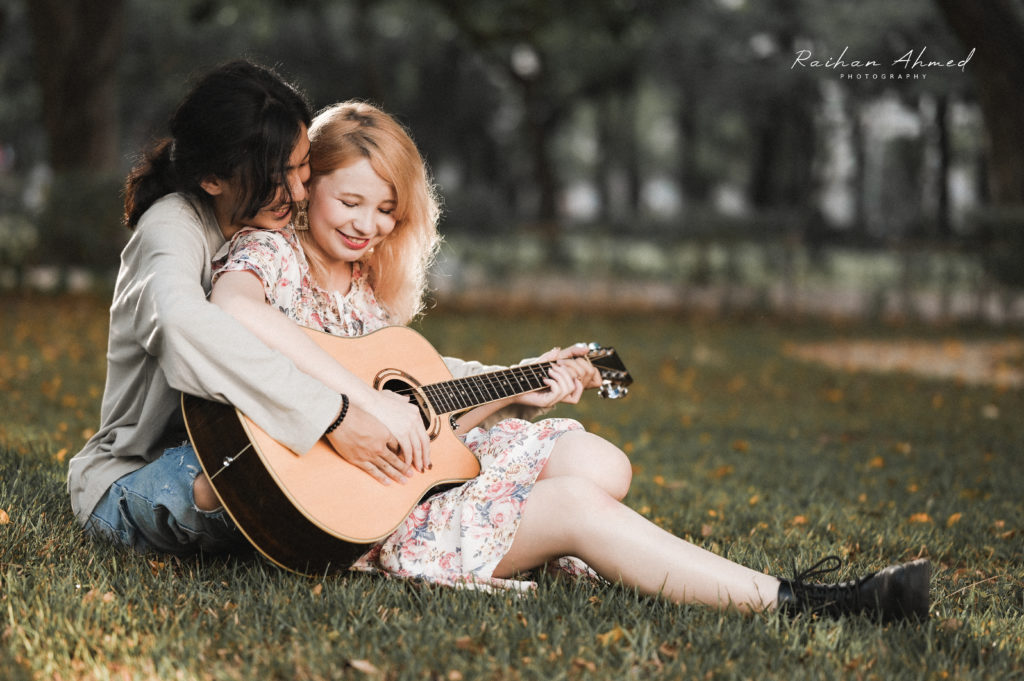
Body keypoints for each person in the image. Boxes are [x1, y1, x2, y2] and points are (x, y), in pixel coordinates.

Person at [209, 101, 931, 621]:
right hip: (354, 510)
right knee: (580, 504)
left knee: (596, 459)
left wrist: (526, 383)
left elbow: (428, 411)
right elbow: (236, 311)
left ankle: (572, 538)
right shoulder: (272, 253)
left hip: (404, 476)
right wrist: (356, 404)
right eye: (351, 201)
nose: (368, 225)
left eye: (387, 209)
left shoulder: (364, 292)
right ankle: (802, 599)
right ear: (307, 190)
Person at [68, 61, 428, 558]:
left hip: (248, 440)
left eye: (305, 167)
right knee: (245, 481)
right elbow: (181, 323)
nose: (301, 191)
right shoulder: (171, 228)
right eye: (280, 175)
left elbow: (340, 350)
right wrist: (334, 416)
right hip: (143, 473)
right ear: (214, 178)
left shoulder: (270, 232)